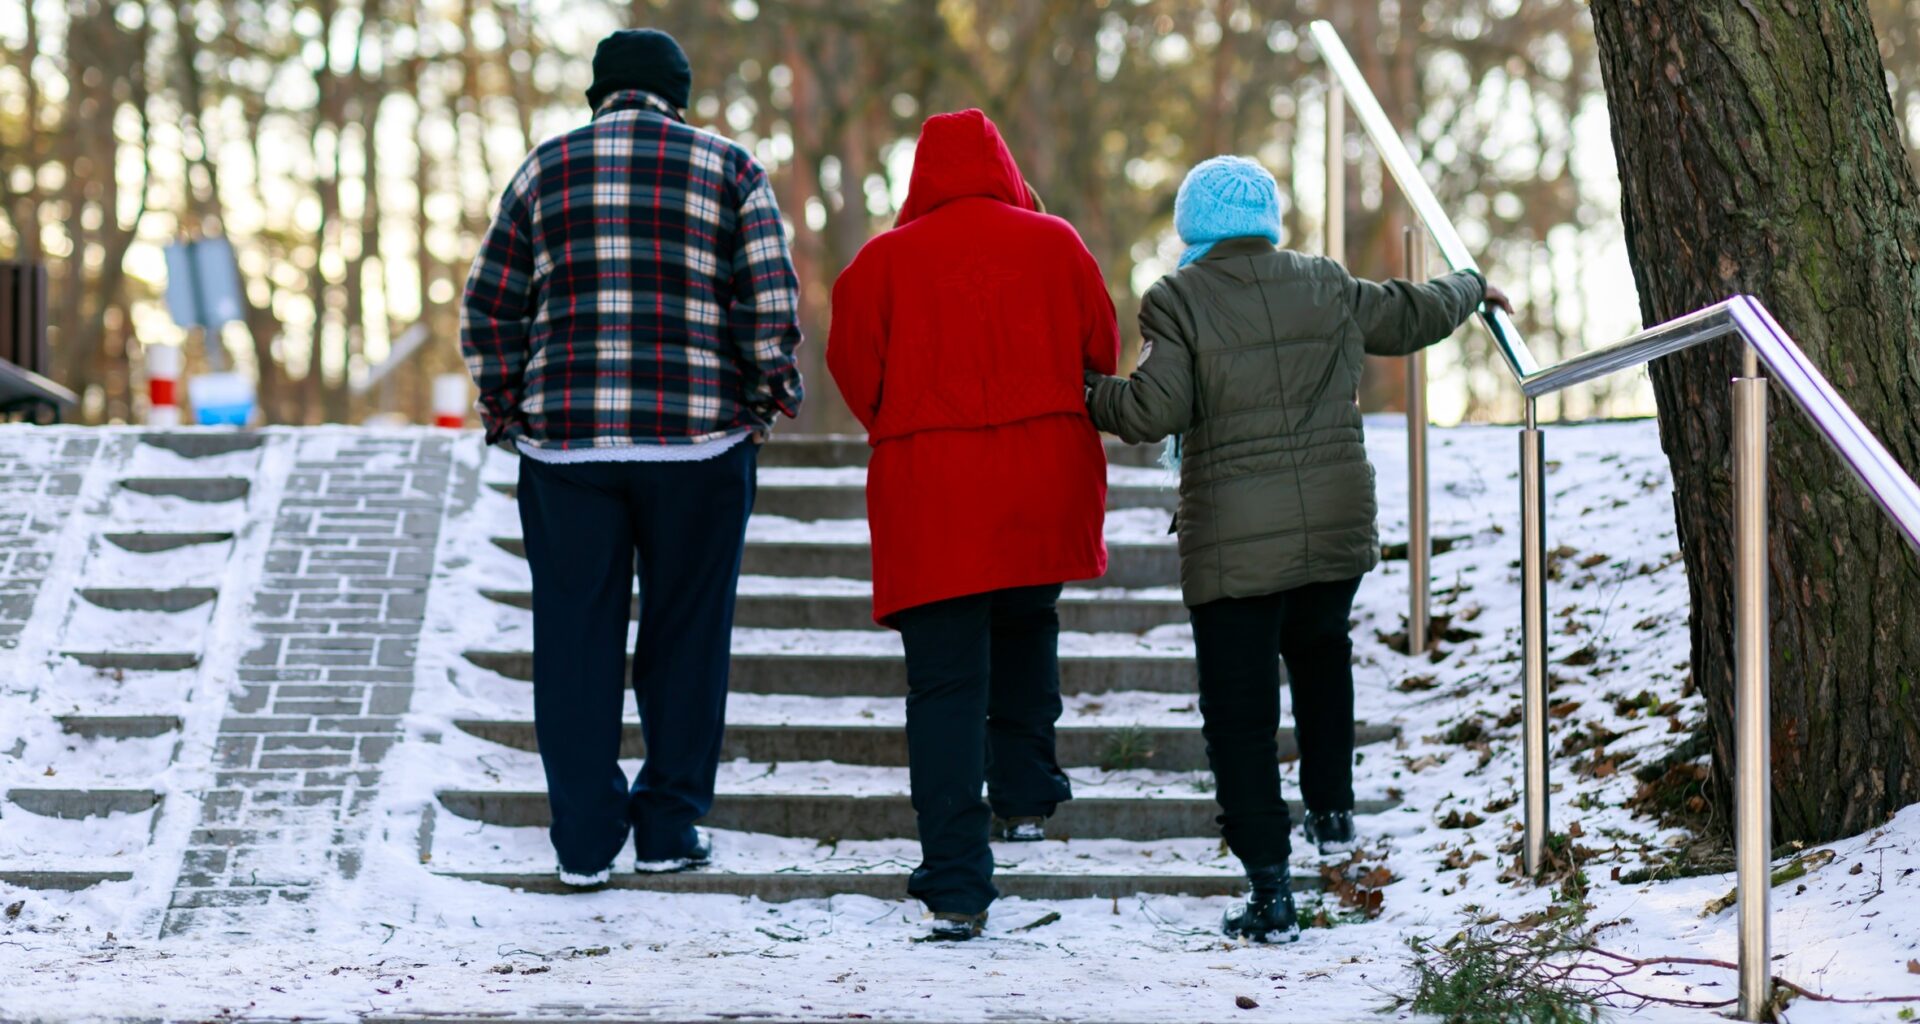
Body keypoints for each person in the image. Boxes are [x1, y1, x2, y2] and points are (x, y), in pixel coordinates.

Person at [1083, 155, 1512, 944]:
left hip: (1236, 543)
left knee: (1240, 715)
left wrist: (1084, 391)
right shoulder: (1323, 280)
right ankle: (1333, 808)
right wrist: (1470, 287)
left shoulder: (1178, 298)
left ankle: (1272, 888)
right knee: (1320, 659)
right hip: (1334, 524)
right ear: (1266, 222)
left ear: (1193, 228)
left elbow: (1151, 409)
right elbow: (1411, 314)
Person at [460, 28, 803, 887]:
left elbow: (490, 303)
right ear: (677, 95)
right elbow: (769, 301)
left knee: (573, 637)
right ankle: (668, 829)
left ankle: (583, 843)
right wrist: (763, 398)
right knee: (688, 634)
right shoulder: (730, 168)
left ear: (599, 93)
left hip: (567, 445)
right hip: (698, 442)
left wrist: (508, 401)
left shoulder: (545, 169)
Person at [827, 109, 1120, 941]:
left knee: (945, 685)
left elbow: (855, 370)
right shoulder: (1056, 242)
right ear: (1002, 165)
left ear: (921, 175)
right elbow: (1101, 344)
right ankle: (1026, 795)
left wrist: (908, 424)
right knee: (1028, 625)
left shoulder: (879, 263)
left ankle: (957, 881)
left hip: (932, 495)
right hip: (1040, 479)